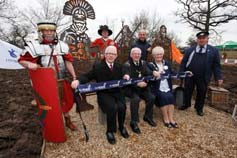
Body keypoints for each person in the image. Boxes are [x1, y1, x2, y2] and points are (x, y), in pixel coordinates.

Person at [18, 21, 79, 131]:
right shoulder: (35, 46)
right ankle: (53, 126)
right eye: (46, 30)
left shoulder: (62, 45)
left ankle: (68, 121)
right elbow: (21, 60)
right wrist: (29, 64)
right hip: (46, 83)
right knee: (49, 105)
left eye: (51, 30)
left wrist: (74, 76)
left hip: (62, 80)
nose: (49, 33)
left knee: (64, 102)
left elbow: (68, 62)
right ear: (41, 32)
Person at [71, 46, 129, 144]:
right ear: (105, 55)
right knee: (112, 107)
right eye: (108, 53)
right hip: (104, 93)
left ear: (116, 56)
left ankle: (122, 127)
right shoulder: (98, 66)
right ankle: (110, 131)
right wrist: (78, 81)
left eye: (113, 54)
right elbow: (87, 76)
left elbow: (126, 71)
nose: (111, 55)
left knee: (122, 107)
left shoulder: (119, 66)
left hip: (117, 92)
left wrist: (126, 75)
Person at [179, 31, 223, 116]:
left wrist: (219, 77)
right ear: (197, 40)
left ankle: (199, 108)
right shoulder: (190, 50)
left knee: (201, 92)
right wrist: (181, 73)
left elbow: (216, 66)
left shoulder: (214, 51)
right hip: (189, 75)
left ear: (207, 39)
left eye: (203, 38)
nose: (201, 40)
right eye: (199, 38)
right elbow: (183, 63)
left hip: (204, 76)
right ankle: (186, 104)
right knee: (187, 90)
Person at [123, 47, 159, 134]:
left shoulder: (143, 63)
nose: (136, 55)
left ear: (140, 55)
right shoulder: (127, 64)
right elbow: (126, 76)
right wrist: (136, 83)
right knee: (136, 99)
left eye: (138, 54)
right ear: (131, 55)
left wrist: (153, 72)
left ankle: (148, 117)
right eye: (134, 54)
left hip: (143, 87)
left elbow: (148, 72)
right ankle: (134, 122)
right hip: (131, 88)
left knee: (151, 97)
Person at [148, 46, 178, 128]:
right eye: (157, 55)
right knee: (164, 97)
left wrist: (183, 73)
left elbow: (173, 72)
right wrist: (153, 72)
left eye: (160, 54)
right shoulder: (151, 65)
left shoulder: (167, 63)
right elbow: (148, 73)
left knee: (171, 96)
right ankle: (165, 118)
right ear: (153, 56)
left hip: (167, 86)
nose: (159, 56)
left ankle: (171, 118)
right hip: (157, 87)